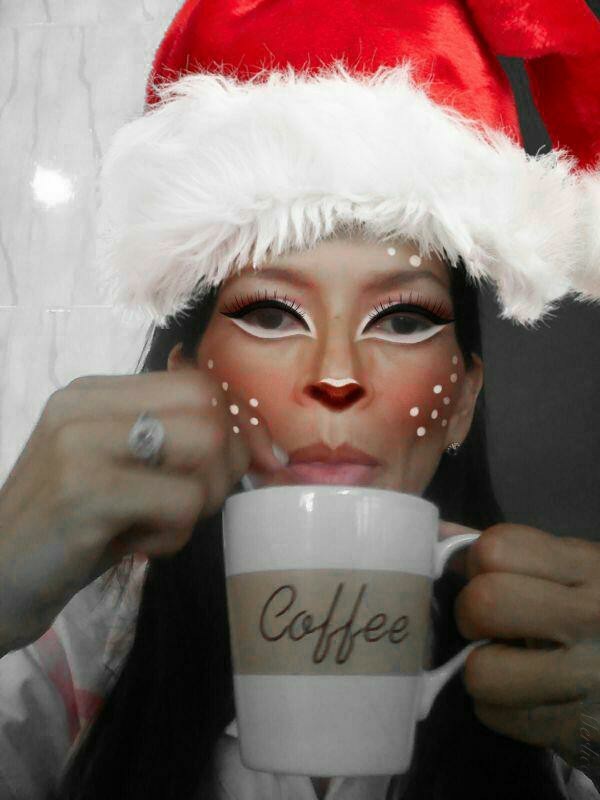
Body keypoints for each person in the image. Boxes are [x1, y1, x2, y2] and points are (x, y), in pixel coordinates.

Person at [1, 0, 600, 798]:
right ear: (188, 380)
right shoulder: (74, 644)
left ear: (460, 400)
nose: (337, 375)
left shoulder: (556, 681)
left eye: (404, 319)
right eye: (270, 313)